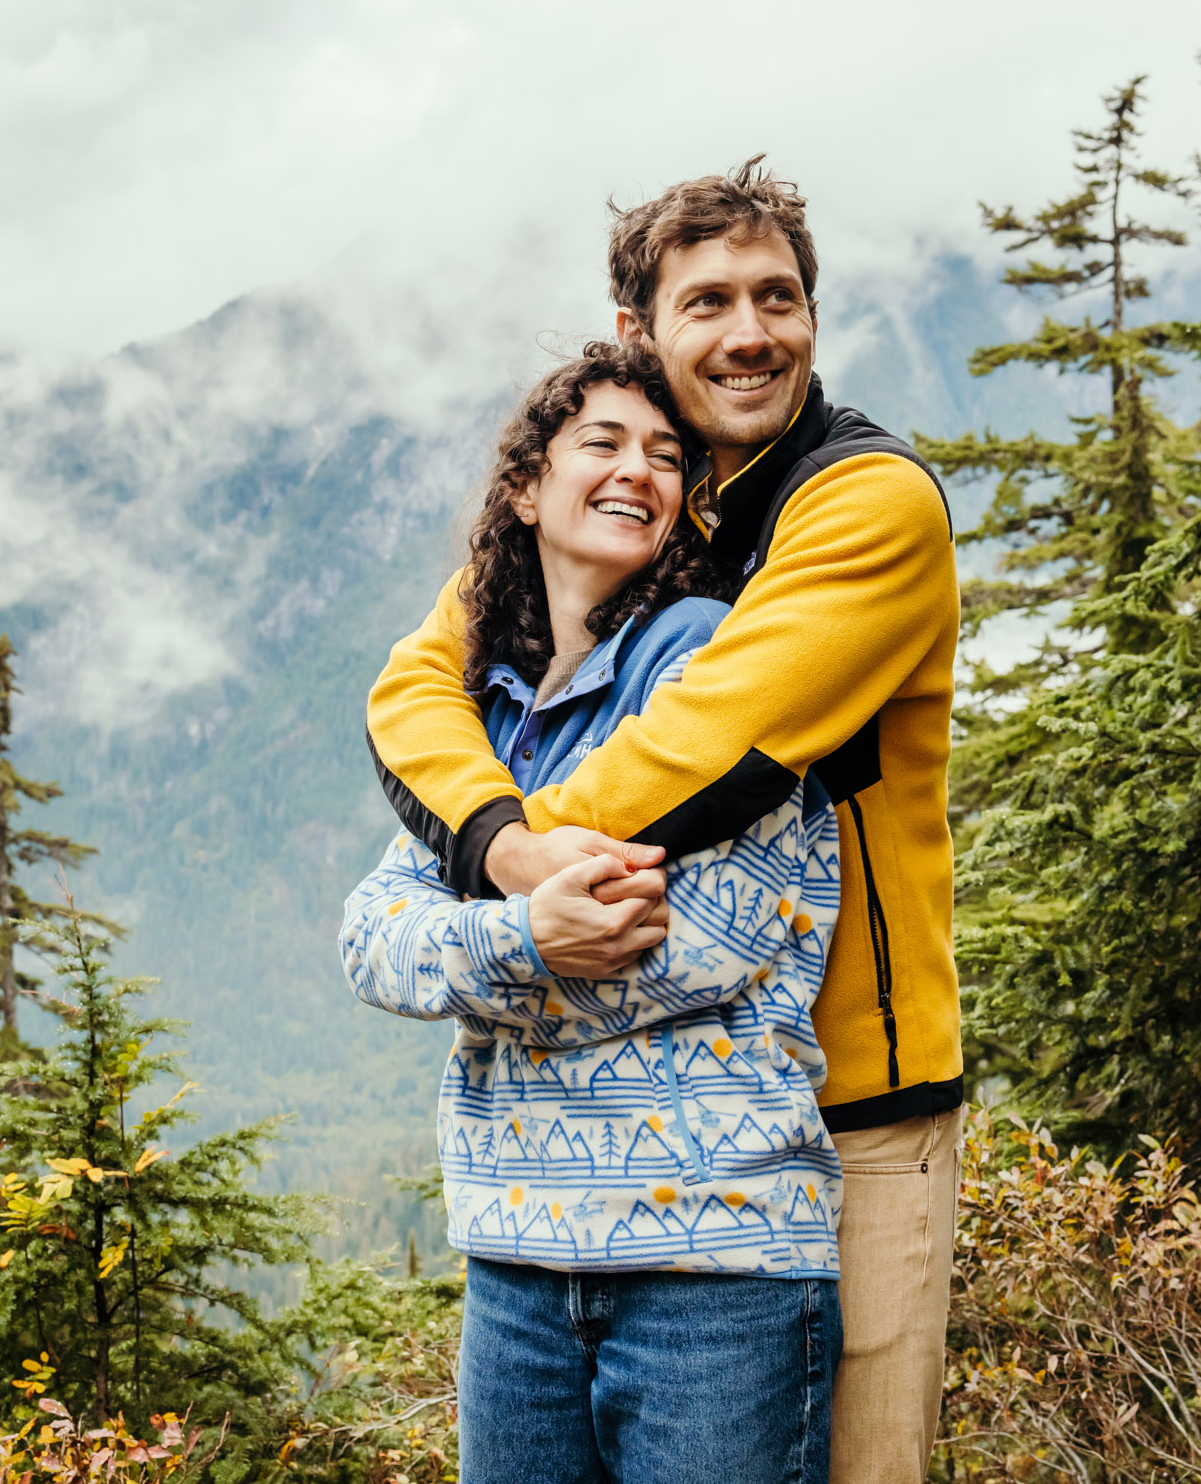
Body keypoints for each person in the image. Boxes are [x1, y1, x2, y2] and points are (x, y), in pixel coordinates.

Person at [366, 159, 963, 1483]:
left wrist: (452, 901)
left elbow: (698, 758)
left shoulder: (863, 503)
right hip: (610, 1151)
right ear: (643, 332)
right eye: (709, 301)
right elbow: (415, 685)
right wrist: (505, 858)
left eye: (780, 296)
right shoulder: (643, 498)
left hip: (848, 1114)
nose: (752, 330)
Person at [342, 347, 846, 1483]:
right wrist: (526, 927)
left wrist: (471, 959)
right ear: (528, 485)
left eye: (667, 455)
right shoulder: (490, 714)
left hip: (716, 1269)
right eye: (604, 444)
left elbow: (697, 942)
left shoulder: (714, 666)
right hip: (515, 1267)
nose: (638, 471)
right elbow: (370, 938)